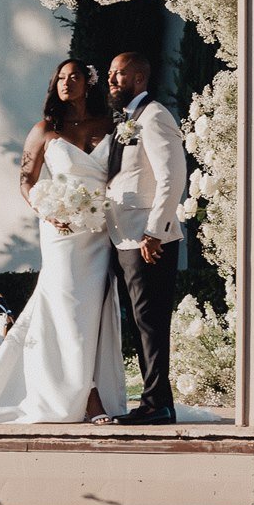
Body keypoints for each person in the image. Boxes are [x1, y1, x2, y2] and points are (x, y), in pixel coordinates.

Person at [0, 59, 127, 425]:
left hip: (99, 231)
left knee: (93, 313)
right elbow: (26, 180)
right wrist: (45, 208)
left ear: (88, 84)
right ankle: (88, 396)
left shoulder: (109, 125)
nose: (67, 83)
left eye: (74, 77)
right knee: (67, 309)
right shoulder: (45, 130)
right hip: (61, 232)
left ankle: (91, 388)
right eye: (61, 78)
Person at [97, 52, 187, 426]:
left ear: (138, 78)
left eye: (119, 75)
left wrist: (154, 231)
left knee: (150, 322)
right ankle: (156, 402)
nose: (112, 81)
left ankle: (156, 406)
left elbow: (172, 177)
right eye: (110, 74)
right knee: (139, 322)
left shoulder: (154, 116)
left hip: (148, 239)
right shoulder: (127, 120)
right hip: (124, 237)